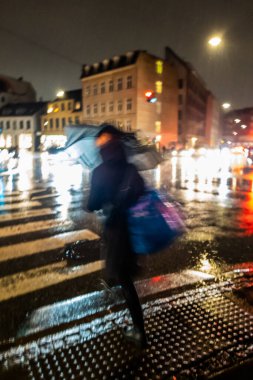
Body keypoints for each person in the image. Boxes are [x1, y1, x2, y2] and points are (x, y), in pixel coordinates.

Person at [86, 124, 147, 348]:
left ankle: (139, 332)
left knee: (126, 282)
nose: (97, 144)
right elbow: (142, 192)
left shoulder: (100, 171)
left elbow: (91, 205)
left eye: (99, 140)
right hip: (132, 232)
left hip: (116, 232)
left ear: (104, 142)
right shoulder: (130, 168)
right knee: (124, 275)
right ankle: (135, 324)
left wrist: (98, 194)